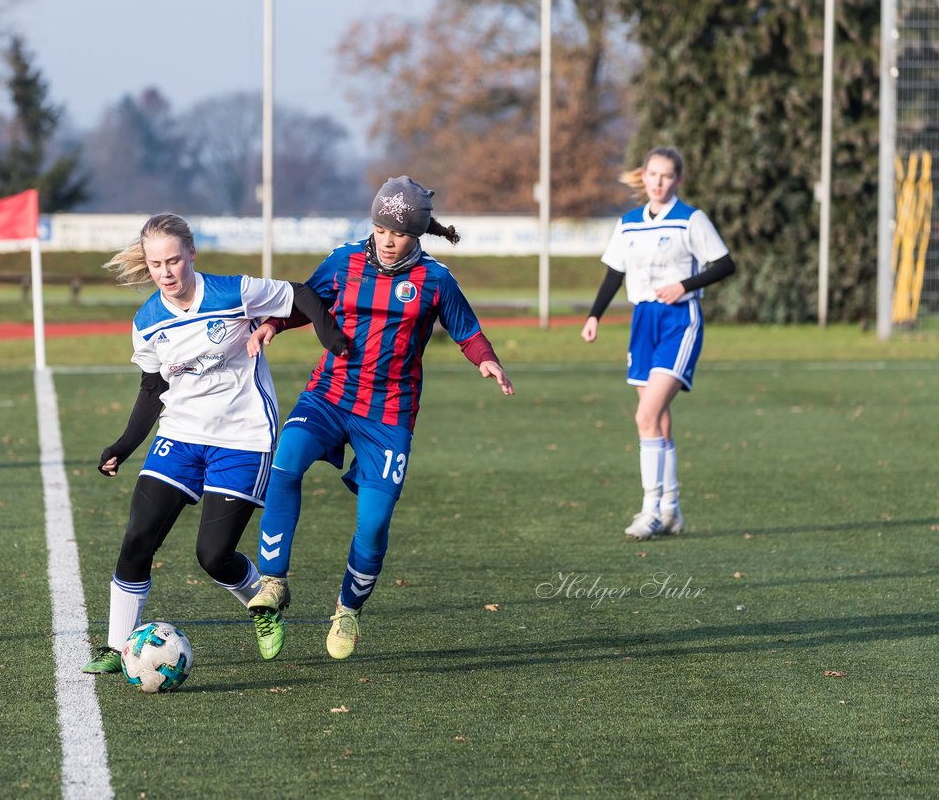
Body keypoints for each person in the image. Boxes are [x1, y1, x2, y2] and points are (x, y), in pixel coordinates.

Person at [244, 176, 515, 662]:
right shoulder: (342, 260)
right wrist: (272, 324)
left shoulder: (435, 280)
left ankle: (347, 609)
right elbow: (304, 301)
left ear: (417, 235)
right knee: (285, 463)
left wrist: (486, 359)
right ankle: (273, 580)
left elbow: (466, 329)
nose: (389, 241)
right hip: (329, 395)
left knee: (373, 523)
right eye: (381, 229)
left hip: (388, 415)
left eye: (400, 233)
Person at [81, 213, 348, 675]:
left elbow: (300, 293)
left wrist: (331, 335)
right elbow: (152, 389)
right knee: (137, 538)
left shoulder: (232, 291)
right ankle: (116, 646)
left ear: (191, 256)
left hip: (242, 438)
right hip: (181, 436)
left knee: (213, 555)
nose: (166, 272)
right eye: (156, 264)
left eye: (174, 261)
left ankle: (262, 608)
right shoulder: (147, 321)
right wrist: (124, 445)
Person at [580, 146, 736, 540]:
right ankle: (671, 510)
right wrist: (594, 315)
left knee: (646, 417)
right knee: (657, 418)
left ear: (677, 180)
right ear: (643, 176)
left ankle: (650, 509)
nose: (658, 182)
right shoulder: (629, 223)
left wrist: (685, 285)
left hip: (679, 321)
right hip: (643, 321)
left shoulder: (690, 219)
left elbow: (724, 264)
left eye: (666, 176)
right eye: (653, 174)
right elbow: (614, 273)